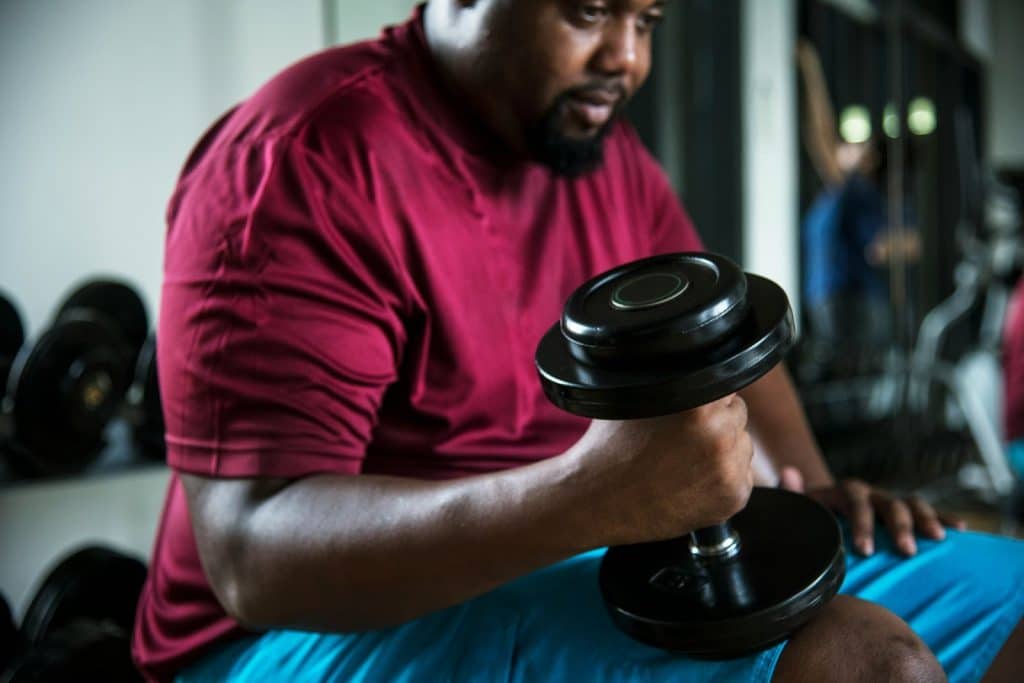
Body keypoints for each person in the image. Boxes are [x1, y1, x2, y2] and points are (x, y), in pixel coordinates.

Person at [133, 2, 1024, 681]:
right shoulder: (305, 156)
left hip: (583, 547)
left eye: (644, 19)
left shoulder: (602, 155)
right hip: (274, 643)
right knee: (864, 659)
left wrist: (808, 503)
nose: (627, 61)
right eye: (589, 12)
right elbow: (253, 557)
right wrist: (586, 500)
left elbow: (726, 353)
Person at [796, 39, 919, 372]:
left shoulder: (859, 193)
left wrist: (810, 67)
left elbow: (820, 136)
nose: (845, 146)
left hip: (856, 308)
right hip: (838, 306)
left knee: (856, 394)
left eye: (857, 145)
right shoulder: (845, 194)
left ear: (869, 159)